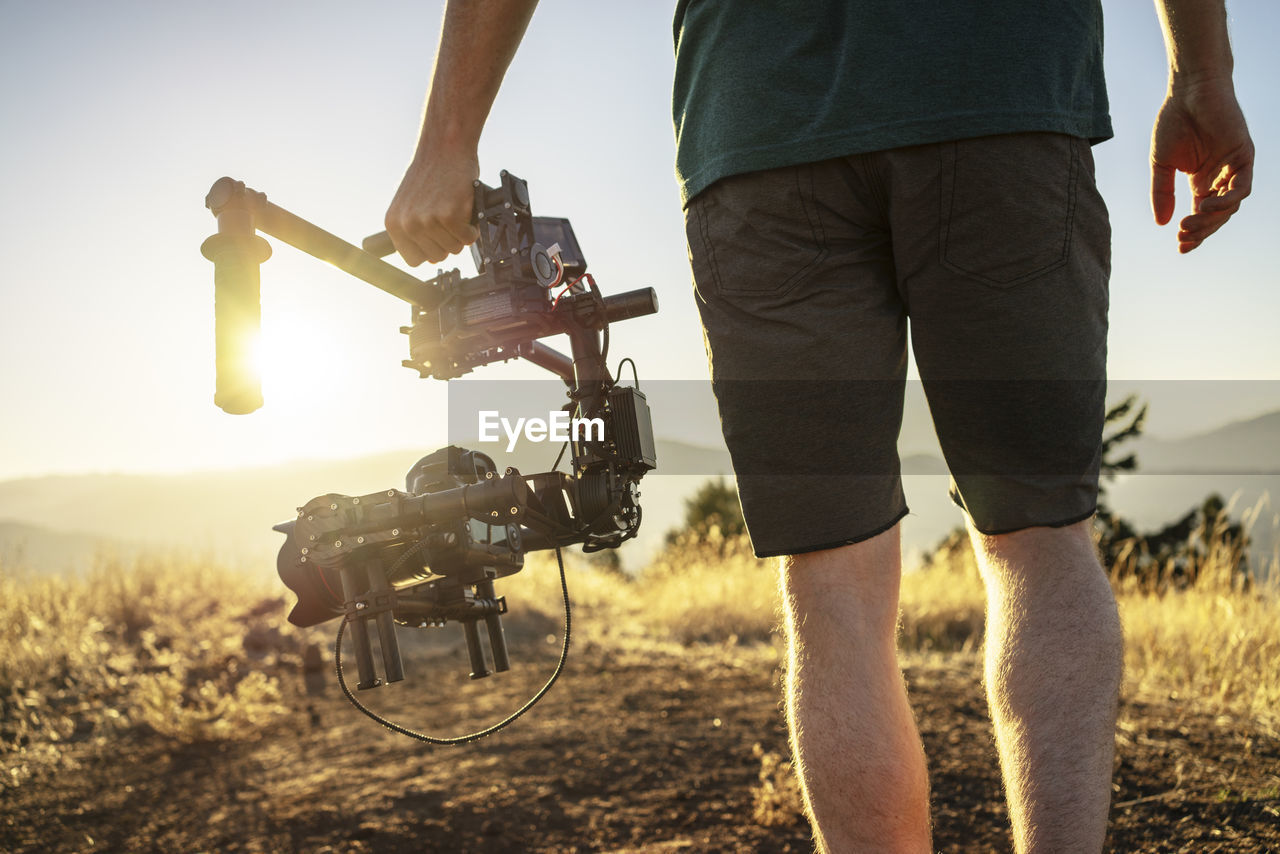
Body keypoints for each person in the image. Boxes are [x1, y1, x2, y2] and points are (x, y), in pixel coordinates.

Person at [383, 1, 1254, 850]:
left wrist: (447, 143)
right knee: (1040, 539)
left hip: (762, 120)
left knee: (831, 580)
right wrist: (1202, 71)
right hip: (997, 83)